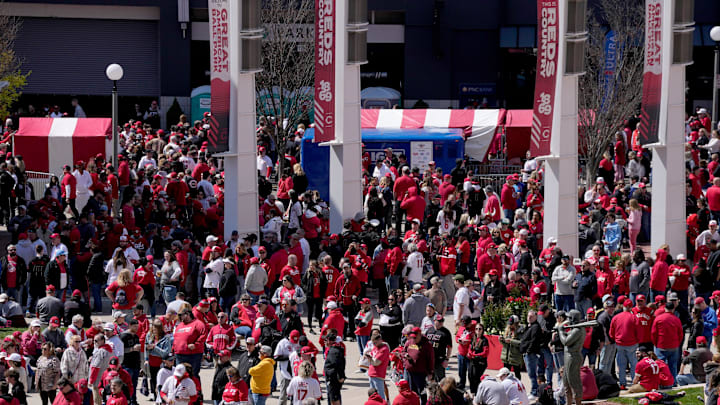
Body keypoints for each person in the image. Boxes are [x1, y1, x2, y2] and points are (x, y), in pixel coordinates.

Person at [610, 299, 639, 388]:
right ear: (631, 308)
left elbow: (611, 331)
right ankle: (634, 382)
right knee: (633, 363)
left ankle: (622, 383)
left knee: (621, 364)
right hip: (632, 344)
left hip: (620, 343)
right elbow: (638, 331)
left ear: (623, 307)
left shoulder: (616, 317)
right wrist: (638, 340)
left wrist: (615, 339)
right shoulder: (634, 317)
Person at [172, 308, 208, 376]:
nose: (179, 317)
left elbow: (203, 335)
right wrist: (173, 349)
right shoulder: (180, 325)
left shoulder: (198, 323)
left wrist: (195, 344)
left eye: (181, 315)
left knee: (193, 375)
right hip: (179, 354)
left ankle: (196, 386)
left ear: (187, 314)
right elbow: (176, 338)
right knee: (180, 375)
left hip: (193, 355)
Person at [324, 329, 346, 405]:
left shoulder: (334, 351)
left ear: (329, 341)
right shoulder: (335, 349)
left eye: (326, 340)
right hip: (333, 378)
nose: (325, 342)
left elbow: (337, 365)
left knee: (334, 398)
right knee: (333, 397)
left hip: (333, 379)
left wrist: (339, 376)